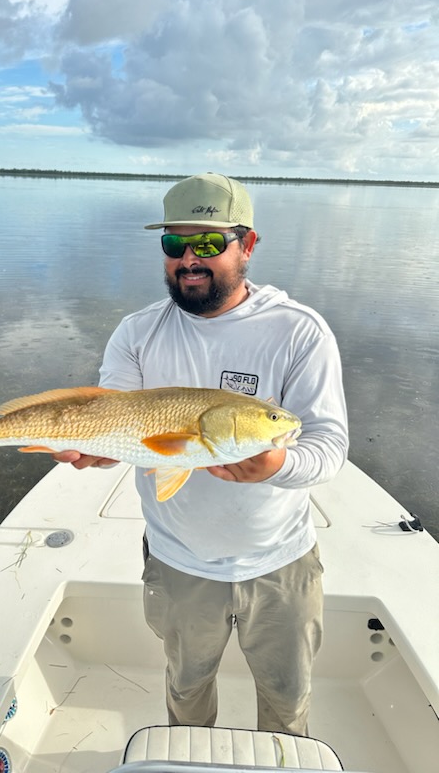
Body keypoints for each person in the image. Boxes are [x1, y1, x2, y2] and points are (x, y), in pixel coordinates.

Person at [54, 173, 349, 735]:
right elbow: (116, 420)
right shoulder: (137, 333)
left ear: (248, 245)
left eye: (209, 244)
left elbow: (328, 447)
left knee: (288, 700)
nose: (189, 259)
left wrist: (279, 466)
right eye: (174, 244)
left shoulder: (299, 332)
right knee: (186, 694)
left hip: (279, 563)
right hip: (177, 561)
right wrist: (103, 451)